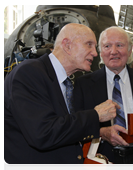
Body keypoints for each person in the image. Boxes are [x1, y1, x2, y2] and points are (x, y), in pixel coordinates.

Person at [4, 23, 119, 170]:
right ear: (67, 45)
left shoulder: (67, 83)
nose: (95, 53)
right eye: (89, 44)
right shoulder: (28, 73)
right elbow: (43, 133)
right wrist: (95, 115)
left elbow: (66, 128)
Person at [73, 26, 133, 170]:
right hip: (102, 160)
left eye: (119, 45)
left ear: (130, 50)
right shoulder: (83, 84)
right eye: (107, 46)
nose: (113, 51)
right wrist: (101, 133)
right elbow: (77, 124)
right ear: (100, 51)